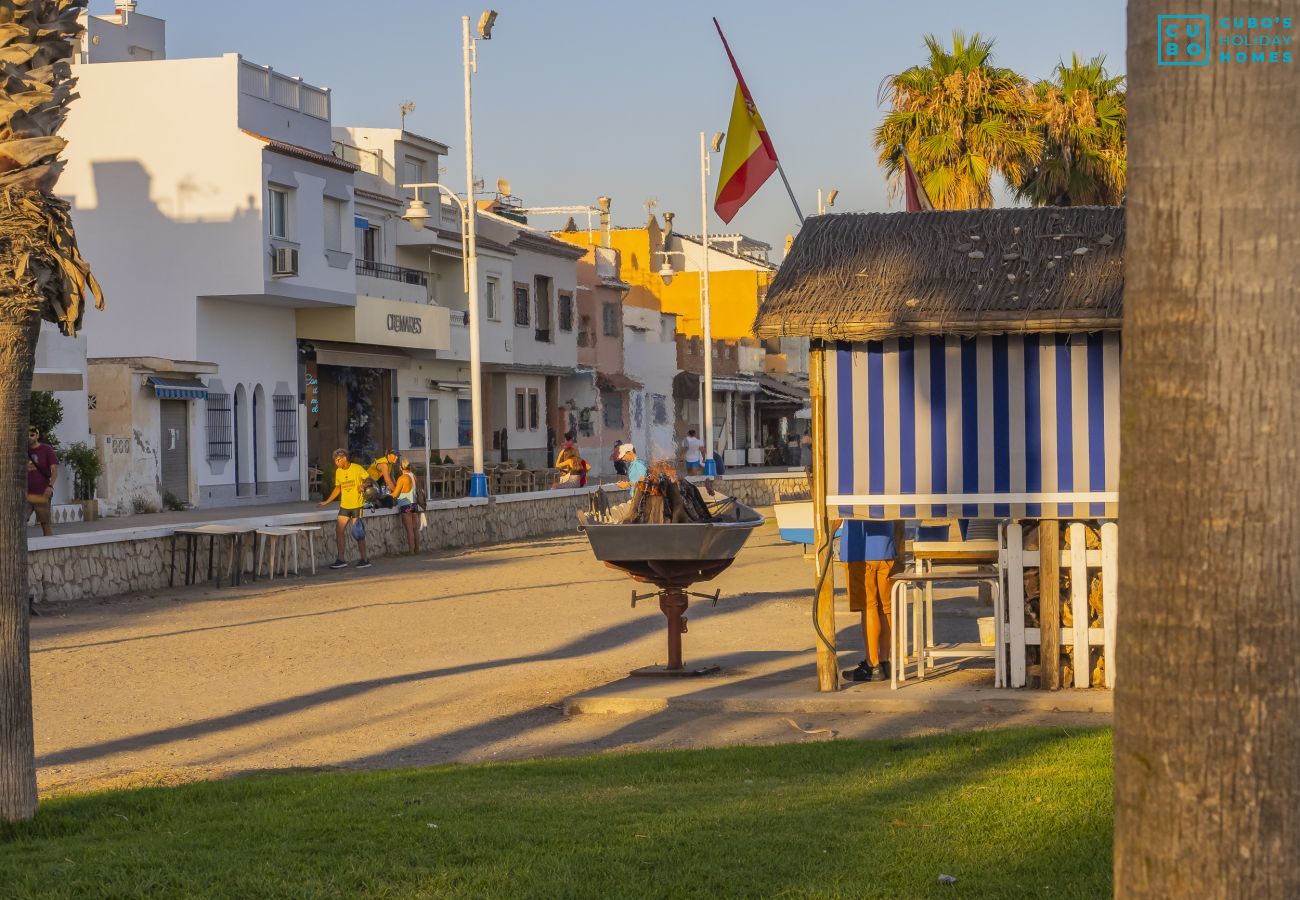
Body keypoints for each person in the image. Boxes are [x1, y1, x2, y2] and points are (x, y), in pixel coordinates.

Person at [840, 519, 904, 683]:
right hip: (886, 546)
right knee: (886, 607)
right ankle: (884, 661)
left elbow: (837, 511)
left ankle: (872, 664)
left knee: (868, 606)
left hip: (859, 548)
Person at [319, 448, 372, 570]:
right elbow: (338, 488)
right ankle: (341, 559)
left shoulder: (357, 468)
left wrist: (363, 485)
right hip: (345, 506)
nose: (336, 463)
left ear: (344, 458)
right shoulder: (338, 471)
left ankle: (364, 559)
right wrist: (327, 501)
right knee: (339, 531)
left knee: (358, 533)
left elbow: (369, 480)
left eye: (337, 460)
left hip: (357, 505)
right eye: (335, 461)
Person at [26, 426, 58, 537]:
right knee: (19, 521)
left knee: (45, 523)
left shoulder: (46, 449)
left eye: (32, 435)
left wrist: (50, 486)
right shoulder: (22, 450)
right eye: (27, 435)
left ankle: (49, 546)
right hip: (25, 494)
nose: (29, 437)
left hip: (42, 493)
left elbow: (54, 470)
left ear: (37, 436)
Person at [392, 456, 421, 555]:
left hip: (405, 504)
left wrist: (387, 495)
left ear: (401, 468)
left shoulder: (402, 478)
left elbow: (395, 494)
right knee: (415, 528)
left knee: (409, 529)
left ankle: (411, 551)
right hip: (414, 503)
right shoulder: (413, 476)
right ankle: (417, 549)